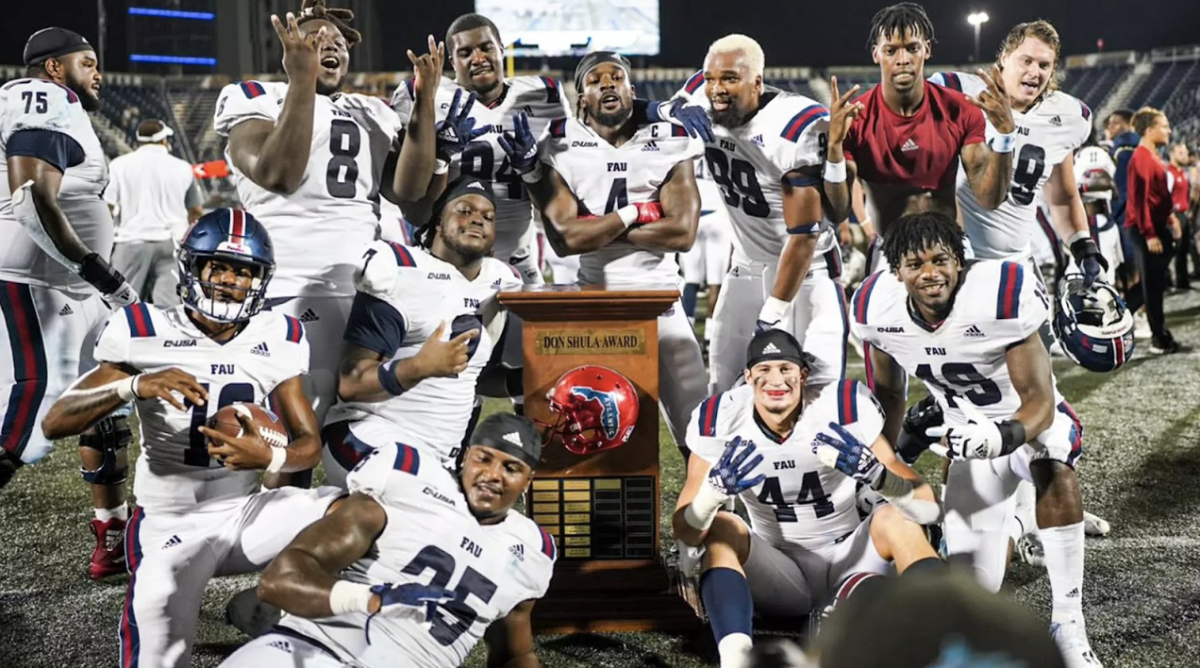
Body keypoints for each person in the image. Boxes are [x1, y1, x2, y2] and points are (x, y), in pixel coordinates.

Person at [40, 209, 342, 668]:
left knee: (357, 514)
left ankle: (271, 611)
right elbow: (55, 421)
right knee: (159, 653)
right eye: (216, 266)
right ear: (192, 268)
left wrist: (273, 457)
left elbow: (308, 443)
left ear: (258, 282)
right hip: (169, 521)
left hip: (245, 514)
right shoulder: (143, 329)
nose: (227, 280)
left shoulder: (280, 333)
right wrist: (135, 385)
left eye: (243, 272)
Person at [852, 212, 1102, 667]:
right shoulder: (876, 309)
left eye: (940, 260)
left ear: (960, 262)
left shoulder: (999, 294)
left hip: (1024, 426)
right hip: (966, 440)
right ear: (896, 271)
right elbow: (889, 393)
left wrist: (1000, 435)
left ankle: (1068, 624)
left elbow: (1041, 402)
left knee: (1053, 462)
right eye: (915, 264)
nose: (930, 274)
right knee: (974, 585)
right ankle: (1020, 523)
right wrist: (883, 461)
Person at [215, 0, 439, 425]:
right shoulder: (256, 95)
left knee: (366, 429)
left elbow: (410, 193)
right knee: (292, 432)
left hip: (368, 290)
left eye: (339, 42)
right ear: (292, 48)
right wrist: (301, 79)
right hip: (288, 287)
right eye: (318, 39)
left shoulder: (371, 110)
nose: (331, 45)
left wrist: (425, 104)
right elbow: (278, 173)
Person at [928, 20, 1111, 541]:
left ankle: (1034, 509)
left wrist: (1085, 250)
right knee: (967, 400)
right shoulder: (957, 94)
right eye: (1026, 60)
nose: (1034, 71)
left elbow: (1060, 197)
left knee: (1036, 396)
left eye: (1044, 65)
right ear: (1003, 60)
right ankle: (963, 518)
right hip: (960, 270)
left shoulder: (1066, 117)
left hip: (1018, 271)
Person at [673, 330, 942, 668]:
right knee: (723, 526)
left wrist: (879, 478)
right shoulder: (720, 420)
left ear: (803, 375)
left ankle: (942, 640)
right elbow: (685, 530)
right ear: (747, 378)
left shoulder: (841, 406)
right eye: (764, 370)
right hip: (778, 573)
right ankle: (736, 660)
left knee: (897, 517)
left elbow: (929, 508)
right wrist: (712, 495)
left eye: (786, 369)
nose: (776, 380)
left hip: (851, 558)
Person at [218, 413, 555, 668]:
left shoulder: (531, 552)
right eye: (484, 458)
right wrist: (372, 598)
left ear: (528, 480)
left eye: (511, 468)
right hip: (311, 649)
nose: (492, 475)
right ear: (466, 456)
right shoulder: (409, 482)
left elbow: (515, 655)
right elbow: (281, 580)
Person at [0, 26, 139, 579]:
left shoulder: (56, 104)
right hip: (42, 282)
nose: (97, 72)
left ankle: (112, 533)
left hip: (66, 287)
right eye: (87, 61)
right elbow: (31, 200)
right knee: (28, 415)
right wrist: (100, 273)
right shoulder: (43, 97)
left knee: (102, 402)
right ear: (54, 68)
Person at [517, 51, 708, 454]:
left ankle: (709, 516)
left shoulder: (672, 137)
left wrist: (599, 227)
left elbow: (682, 233)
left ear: (631, 90)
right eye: (595, 79)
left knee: (700, 437)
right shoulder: (560, 143)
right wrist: (634, 213)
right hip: (598, 306)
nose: (607, 83)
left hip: (663, 305)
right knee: (600, 436)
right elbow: (565, 240)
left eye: (616, 77)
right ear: (581, 97)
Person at [671, 34, 848, 394]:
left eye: (730, 79)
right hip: (747, 267)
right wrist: (670, 109)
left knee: (820, 393)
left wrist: (773, 311)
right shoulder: (698, 95)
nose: (716, 89)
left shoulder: (794, 126)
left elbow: (804, 236)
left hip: (808, 272)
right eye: (710, 79)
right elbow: (658, 107)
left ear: (757, 81)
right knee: (724, 383)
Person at [321, 177, 522, 485]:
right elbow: (351, 382)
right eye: (465, 210)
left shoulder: (499, 283)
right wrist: (418, 367)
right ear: (438, 222)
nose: (477, 219)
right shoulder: (402, 270)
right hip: (371, 435)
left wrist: (528, 380)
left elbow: (476, 376)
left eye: (488, 216)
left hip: (439, 456)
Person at [823, 2, 1015, 273]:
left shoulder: (959, 109)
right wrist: (833, 148)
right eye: (891, 50)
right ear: (877, 54)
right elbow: (837, 212)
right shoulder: (857, 119)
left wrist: (1006, 136)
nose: (903, 59)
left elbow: (989, 198)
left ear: (927, 49)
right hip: (890, 249)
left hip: (948, 246)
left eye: (912, 48)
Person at [104, 119, 205, 306]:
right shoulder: (183, 167)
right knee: (170, 309)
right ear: (164, 140)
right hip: (172, 243)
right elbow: (196, 212)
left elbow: (106, 209)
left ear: (139, 141)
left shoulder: (118, 166)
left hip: (130, 242)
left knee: (120, 307)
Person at [1125, 108, 1183, 354]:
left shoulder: (1152, 156)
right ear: (1149, 130)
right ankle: (1159, 339)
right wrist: (1149, 234)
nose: (1168, 130)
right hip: (1144, 228)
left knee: (1153, 283)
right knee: (1152, 284)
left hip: (1154, 226)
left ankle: (1119, 317)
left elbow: (1156, 197)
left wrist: (1170, 218)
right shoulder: (1141, 158)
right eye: (1164, 126)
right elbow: (1139, 201)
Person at [679, 159, 733, 340]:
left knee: (691, 280)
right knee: (714, 283)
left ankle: (690, 333)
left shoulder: (689, 145)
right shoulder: (719, 144)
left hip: (693, 215)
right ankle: (710, 337)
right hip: (718, 215)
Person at [1166, 141, 1192, 289]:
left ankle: (1183, 282)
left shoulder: (1182, 172)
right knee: (1174, 250)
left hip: (1183, 214)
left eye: (1186, 153)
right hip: (1174, 216)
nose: (1185, 156)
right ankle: (1168, 282)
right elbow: (1165, 197)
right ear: (1172, 154)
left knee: (1183, 250)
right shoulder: (1169, 173)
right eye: (1181, 153)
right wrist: (1172, 218)